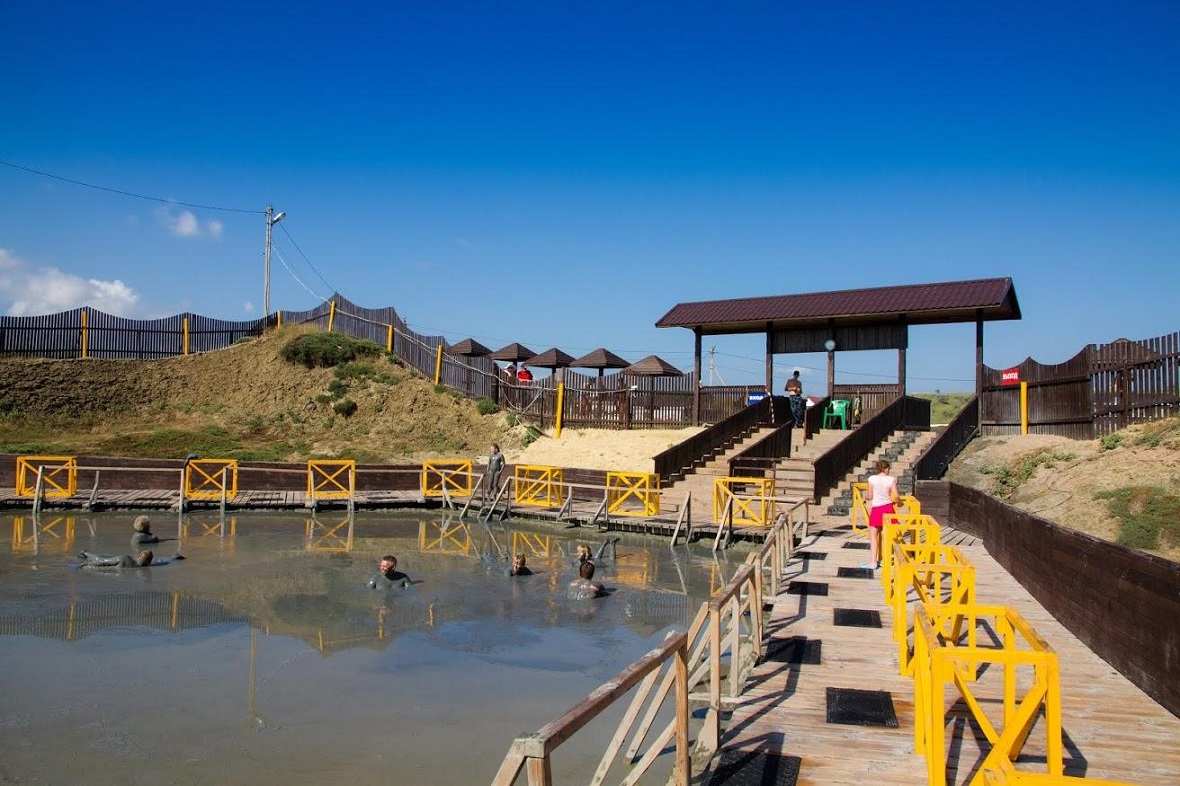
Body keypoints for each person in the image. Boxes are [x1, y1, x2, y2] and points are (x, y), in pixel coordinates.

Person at [865, 459, 900, 570]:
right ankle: (887, 560)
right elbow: (896, 496)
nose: (889, 470)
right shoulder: (891, 479)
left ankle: (873, 562)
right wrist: (898, 501)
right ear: (886, 468)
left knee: (873, 536)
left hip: (876, 508)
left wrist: (865, 497)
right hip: (888, 508)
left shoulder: (872, 479)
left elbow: (870, 496)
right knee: (887, 536)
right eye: (888, 468)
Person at [78, 549, 157, 568]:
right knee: (102, 561)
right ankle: (85, 554)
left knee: (101, 560)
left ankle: (85, 553)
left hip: (125, 559)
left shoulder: (140, 562)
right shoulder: (145, 565)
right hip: (124, 559)